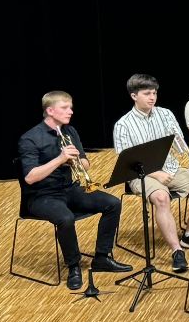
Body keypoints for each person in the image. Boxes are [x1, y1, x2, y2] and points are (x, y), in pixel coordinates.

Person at [19, 91, 131, 290]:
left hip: (69, 189)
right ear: (50, 110)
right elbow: (30, 177)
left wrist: (77, 161)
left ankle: (102, 257)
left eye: (70, 107)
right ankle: (74, 266)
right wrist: (60, 159)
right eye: (65, 108)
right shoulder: (30, 138)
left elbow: (86, 164)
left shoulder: (70, 131)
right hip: (41, 196)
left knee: (112, 203)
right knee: (66, 218)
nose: (70, 111)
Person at [112, 74, 189, 272]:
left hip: (170, 168)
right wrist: (155, 173)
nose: (152, 97)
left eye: (154, 93)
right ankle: (177, 250)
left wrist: (179, 141)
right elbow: (126, 162)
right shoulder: (123, 125)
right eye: (147, 94)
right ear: (134, 96)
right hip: (141, 174)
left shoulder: (165, 114)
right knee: (161, 198)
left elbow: (180, 148)